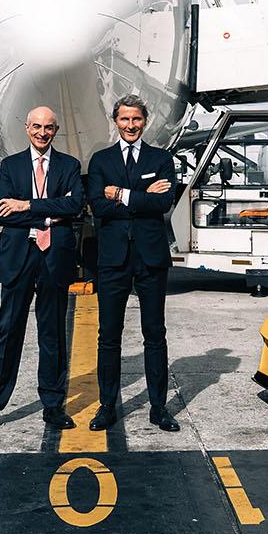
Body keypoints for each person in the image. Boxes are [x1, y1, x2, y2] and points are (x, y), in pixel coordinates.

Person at [0, 106, 82, 433]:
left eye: (48, 127)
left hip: (54, 259)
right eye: (36, 126)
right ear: (26, 127)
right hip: (18, 258)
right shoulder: (10, 165)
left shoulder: (69, 166)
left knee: (52, 336)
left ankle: (52, 405)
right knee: (9, 333)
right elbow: (2, 212)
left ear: (56, 129)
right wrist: (49, 214)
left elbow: (74, 206)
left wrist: (28, 205)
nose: (42, 132)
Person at [86, 95, 183, 432]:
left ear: (145, 121)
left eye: (136, 119)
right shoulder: (100, 160)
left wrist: (122, 194)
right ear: (116, 121)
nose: (131, 125)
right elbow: (98, 206)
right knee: (108, 336)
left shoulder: (162, 158)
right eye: (125, 119)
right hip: (113, 259)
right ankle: (107, 406)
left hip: (150, 257)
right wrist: (142, 194)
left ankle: (159, 408)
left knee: (154, 334)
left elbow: (164, 201)